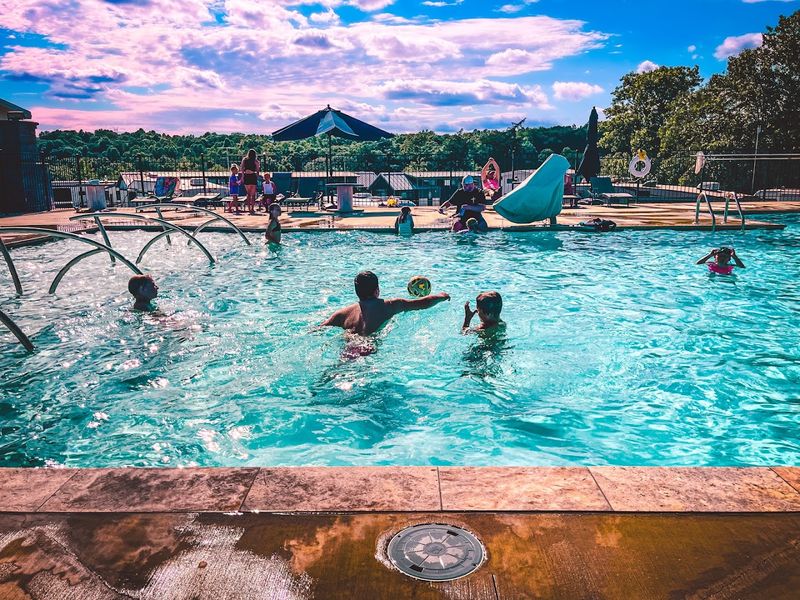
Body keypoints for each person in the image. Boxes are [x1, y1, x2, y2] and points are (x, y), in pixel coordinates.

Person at [321, 270, 450, 336]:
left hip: (349, 346)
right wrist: (441, 296)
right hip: (367, 349)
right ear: (377, 290)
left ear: (357, 292)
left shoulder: (342, 314)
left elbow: (319, 329)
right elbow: (422, 303)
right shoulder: (389, 306)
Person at [239, 149, 260, 215]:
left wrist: (242, 176)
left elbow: (242, 168)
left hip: (247, 176)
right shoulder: (255, 161)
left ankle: (250, 208)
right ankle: (251, 208)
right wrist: (257, 176)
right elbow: (257, 170)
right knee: (252, 194)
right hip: (252, 176)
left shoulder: (245, 159)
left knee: (249, 193)